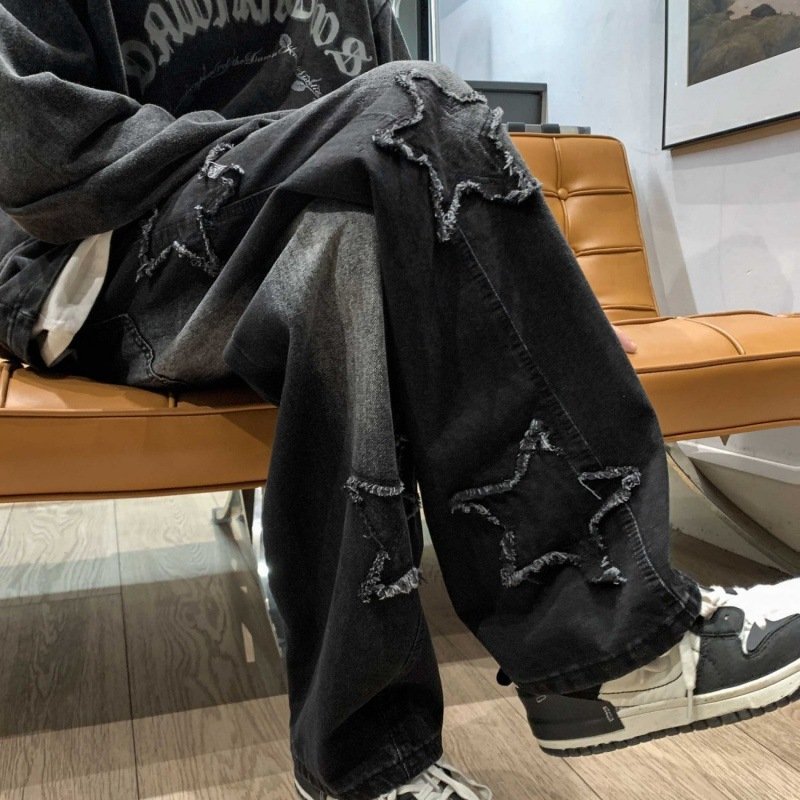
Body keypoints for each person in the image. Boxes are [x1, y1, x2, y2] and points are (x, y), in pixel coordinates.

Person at [0, 3, 798, 799]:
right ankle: (616, 641)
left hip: (297, 235)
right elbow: (40, 153)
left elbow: (396, 172)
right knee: (411, 104)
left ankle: (369, 760)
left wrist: (531, 299)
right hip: (102, 268)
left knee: (343, 238)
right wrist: (309, 147)